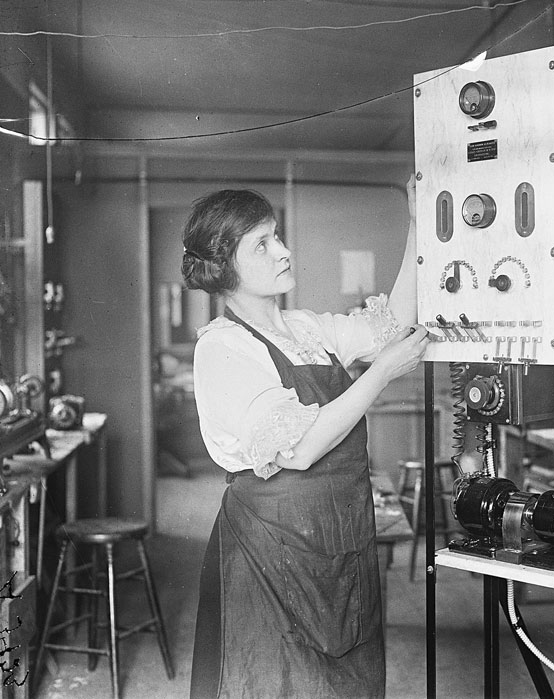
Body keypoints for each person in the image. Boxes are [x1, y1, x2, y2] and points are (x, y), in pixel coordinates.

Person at [182, 180, 428, 699]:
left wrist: (417, 222)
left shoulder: (307, 328)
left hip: (340, 537)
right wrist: (379, 374)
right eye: (262, 244)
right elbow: (301, 448)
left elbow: (396, 323)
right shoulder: (222, 348)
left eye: (277, 236)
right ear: (226, 266)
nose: (283, 251)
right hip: (269, 551)